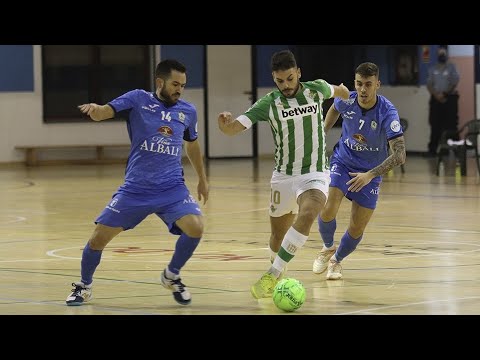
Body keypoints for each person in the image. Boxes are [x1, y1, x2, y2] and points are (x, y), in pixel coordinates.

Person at [66, 59, 209, 306]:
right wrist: (96, 110)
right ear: (160, 82)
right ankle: (84, 285)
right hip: (136, 189)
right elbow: (106, 111)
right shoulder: (138, 99)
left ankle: (171, 275)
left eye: (183, 85)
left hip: (171, 188)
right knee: (97, 239)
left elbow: (192, 144)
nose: (179, 90)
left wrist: (203, 180)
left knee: (196, 227)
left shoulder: (188, 111)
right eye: (175, 84)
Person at [217, 49, 350, 299]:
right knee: (277, 235)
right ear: (274, 78)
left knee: (311, 211)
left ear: (298, 73)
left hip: (315, 172)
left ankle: (273, 273)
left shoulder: (316, 89)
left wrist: (347, 94)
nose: (286, 85)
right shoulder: (269, 103)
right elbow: (234, 129)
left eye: (290, 78)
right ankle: (280, 271)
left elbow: (340, 91)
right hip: (283, 177)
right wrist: (224, 124)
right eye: (280, 81)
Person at [312, 62, 406, 280]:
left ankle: (337, 260)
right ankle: (327, 247)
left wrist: (370, 175)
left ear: (377, 85)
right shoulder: (348, 99)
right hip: (343, 161)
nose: (363, 90)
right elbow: (334, 108)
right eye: (359, 84)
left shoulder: (387, 112)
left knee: (356, 228)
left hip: (369, 173)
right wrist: (323, 132)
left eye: (368, 85)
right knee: (327, 208)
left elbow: (400, 155)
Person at [427, 46, 460, 156]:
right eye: (440, 53)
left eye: (443, 53)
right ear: (437, 55)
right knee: (435, 125)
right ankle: (432, 150)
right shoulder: (433, 69)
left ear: (446, 54)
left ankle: (455, 150)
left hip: (449, 100)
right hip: (435, 100)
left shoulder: (451, 67)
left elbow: (454, 82)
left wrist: (444, 94)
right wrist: (437, 95)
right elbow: (429, 84)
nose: (442, 55)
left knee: (451, 125)